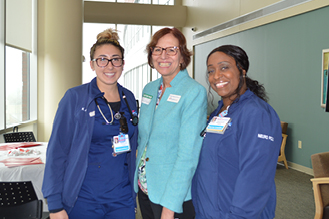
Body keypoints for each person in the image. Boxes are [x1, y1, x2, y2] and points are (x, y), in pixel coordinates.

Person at [42, 28, 138, 219]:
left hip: (122, 198)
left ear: (123, 63)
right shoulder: (75, 98)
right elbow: (57, 151)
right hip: (83, 198)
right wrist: (54, 205)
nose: (109, 66)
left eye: (115, 59)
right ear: (92, 65)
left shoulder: (129, 98)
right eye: (102, 59)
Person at [192, 45, 282, 219]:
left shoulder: (257, 114)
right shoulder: (220, 112)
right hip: (207, 210)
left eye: (224, 67)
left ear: (242, 70)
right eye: (211, 71)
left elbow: (255, 177)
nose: (216, 76)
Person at [134, 27, 207, 219]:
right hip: (145, 187)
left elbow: (188, 155)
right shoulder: (150, 89)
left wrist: (170, 206)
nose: (163, 55)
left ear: (182, 56)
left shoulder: (193, 92)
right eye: (157, 49)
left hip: (172, 195)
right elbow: (145, 139)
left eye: (171, 50)